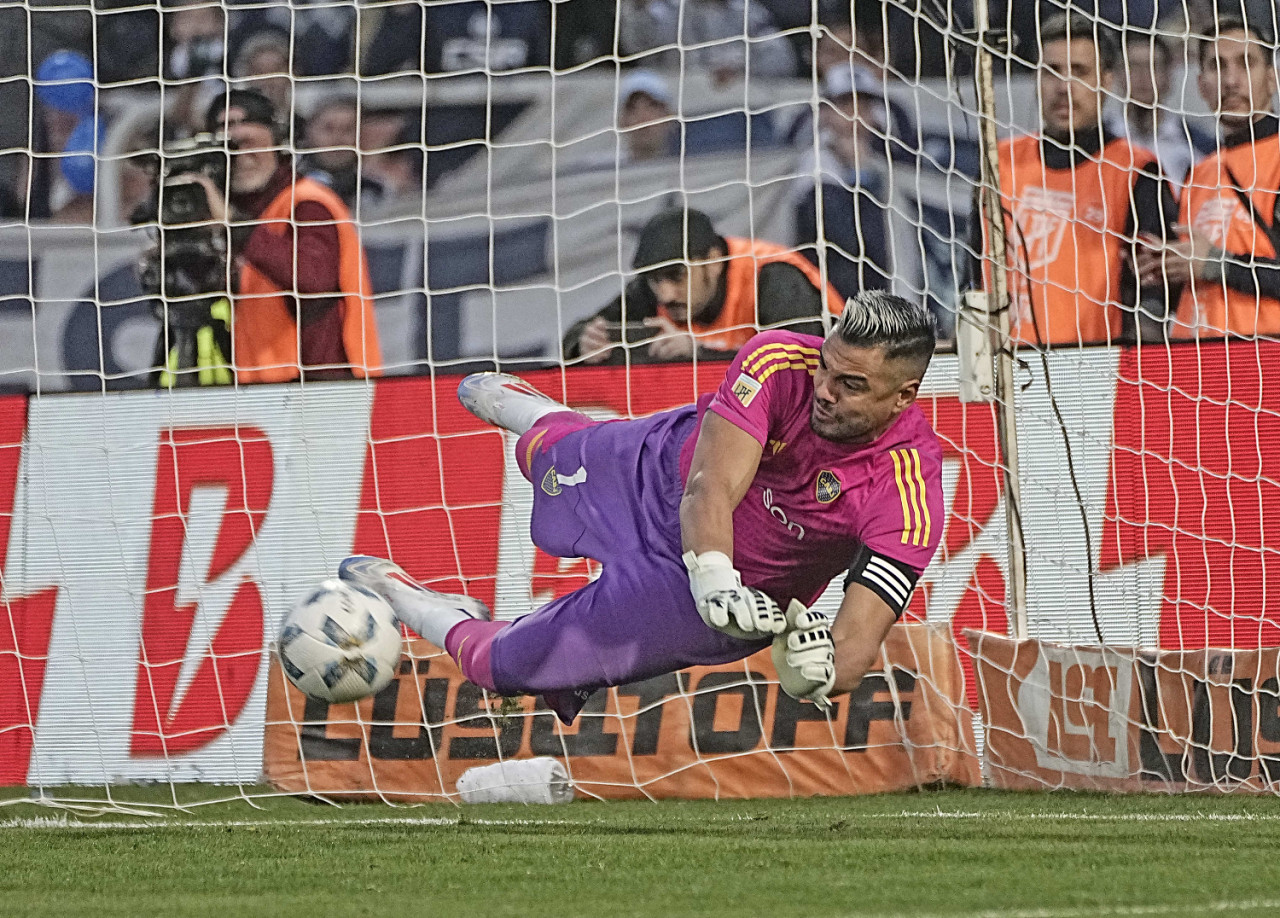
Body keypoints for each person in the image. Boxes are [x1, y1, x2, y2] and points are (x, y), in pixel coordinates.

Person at [339, 290, 944, 724]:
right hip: (660, 479)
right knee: (549, 458)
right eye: (828, 368)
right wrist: (714, 572)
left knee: (503, 667)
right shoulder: (778, 360)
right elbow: (711, 486)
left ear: (905, 397)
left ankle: (409, 599)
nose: (826, 392)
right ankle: (542, 418)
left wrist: (814, 673)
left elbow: (856, 645)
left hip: (696, 604)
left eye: (853, 385)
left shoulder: (908, 496)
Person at [972, 12, 1178, 345]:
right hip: (1006, 367)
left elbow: (1156, 293)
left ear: (1107, 81)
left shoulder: (1137, 170)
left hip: (1095, 366)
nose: (1064, 87)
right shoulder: (1000, 163)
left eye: (1079, 72)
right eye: (1052, 72)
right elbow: (974, 271)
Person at [197, 89, 382, 382]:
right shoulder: (234, 212)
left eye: (249, 144)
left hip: (322, 388)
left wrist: (234, 225)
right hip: (264, 387)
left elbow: (312, 278)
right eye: (229, 149)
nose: (241, 157)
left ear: (278, 144)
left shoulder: (308, 202)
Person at [1142, 16, 1280, 340]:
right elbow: (1196, 267)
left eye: (1246, 63)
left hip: (1263, 364)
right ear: (1202, 84)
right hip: (1197, 367)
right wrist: (1162, 268)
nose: (1231, 80)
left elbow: (1208, 262)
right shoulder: (1199, 173)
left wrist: (1216, 265)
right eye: (1217, 66)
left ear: (1272, 78)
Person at [564, 207, 845, 364]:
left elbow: (796, 366)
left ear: (712, 262)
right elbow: (577, 332)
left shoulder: (773, 279)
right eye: (654, 280)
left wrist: (698, 353)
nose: (664, 294)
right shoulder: (651, 291)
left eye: (676, 277)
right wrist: (584, 344)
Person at [793, 64, 894, 303]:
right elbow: (847, 243)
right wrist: (857, 173)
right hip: (825, 296)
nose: (856, 115)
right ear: (826, 112)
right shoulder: (814, 162)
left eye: (864, 106)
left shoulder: (884, 162)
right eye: (846, 105)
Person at [1105, 29, 1214, 193]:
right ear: (1118, 75)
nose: (1143, 76)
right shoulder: (1100, 139)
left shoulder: (1199, 145)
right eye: (1132, 66)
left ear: (1168, 75)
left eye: (1153, 66)